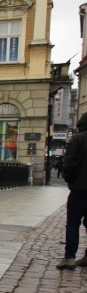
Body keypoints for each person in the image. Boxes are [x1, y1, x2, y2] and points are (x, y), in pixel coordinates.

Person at [58, 113, 87, 269]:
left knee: (73, 224)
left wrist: (70, 180)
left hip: (79, 188)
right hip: (79, 186)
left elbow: (69, 163)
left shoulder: (78, 139)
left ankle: (69, 258)